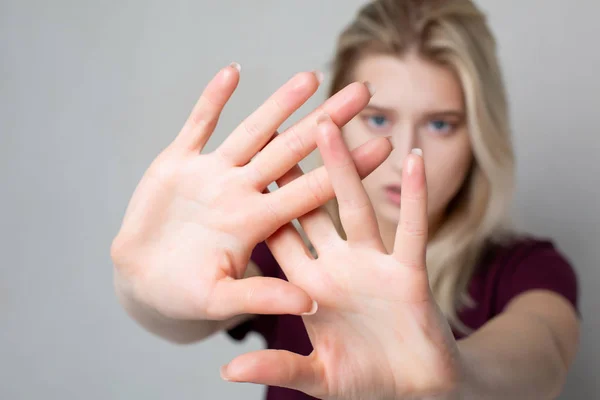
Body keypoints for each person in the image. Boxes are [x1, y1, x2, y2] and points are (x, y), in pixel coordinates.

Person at [110, 0, 580, 398]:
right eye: (378, 119)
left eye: (440, 124)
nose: (405, 153)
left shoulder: (528, 269)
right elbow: (187, 317)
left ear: (479, 134)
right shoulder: (286, 252)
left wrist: (452, 376)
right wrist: (140, 290)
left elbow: (544, 357)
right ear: (338, 118)